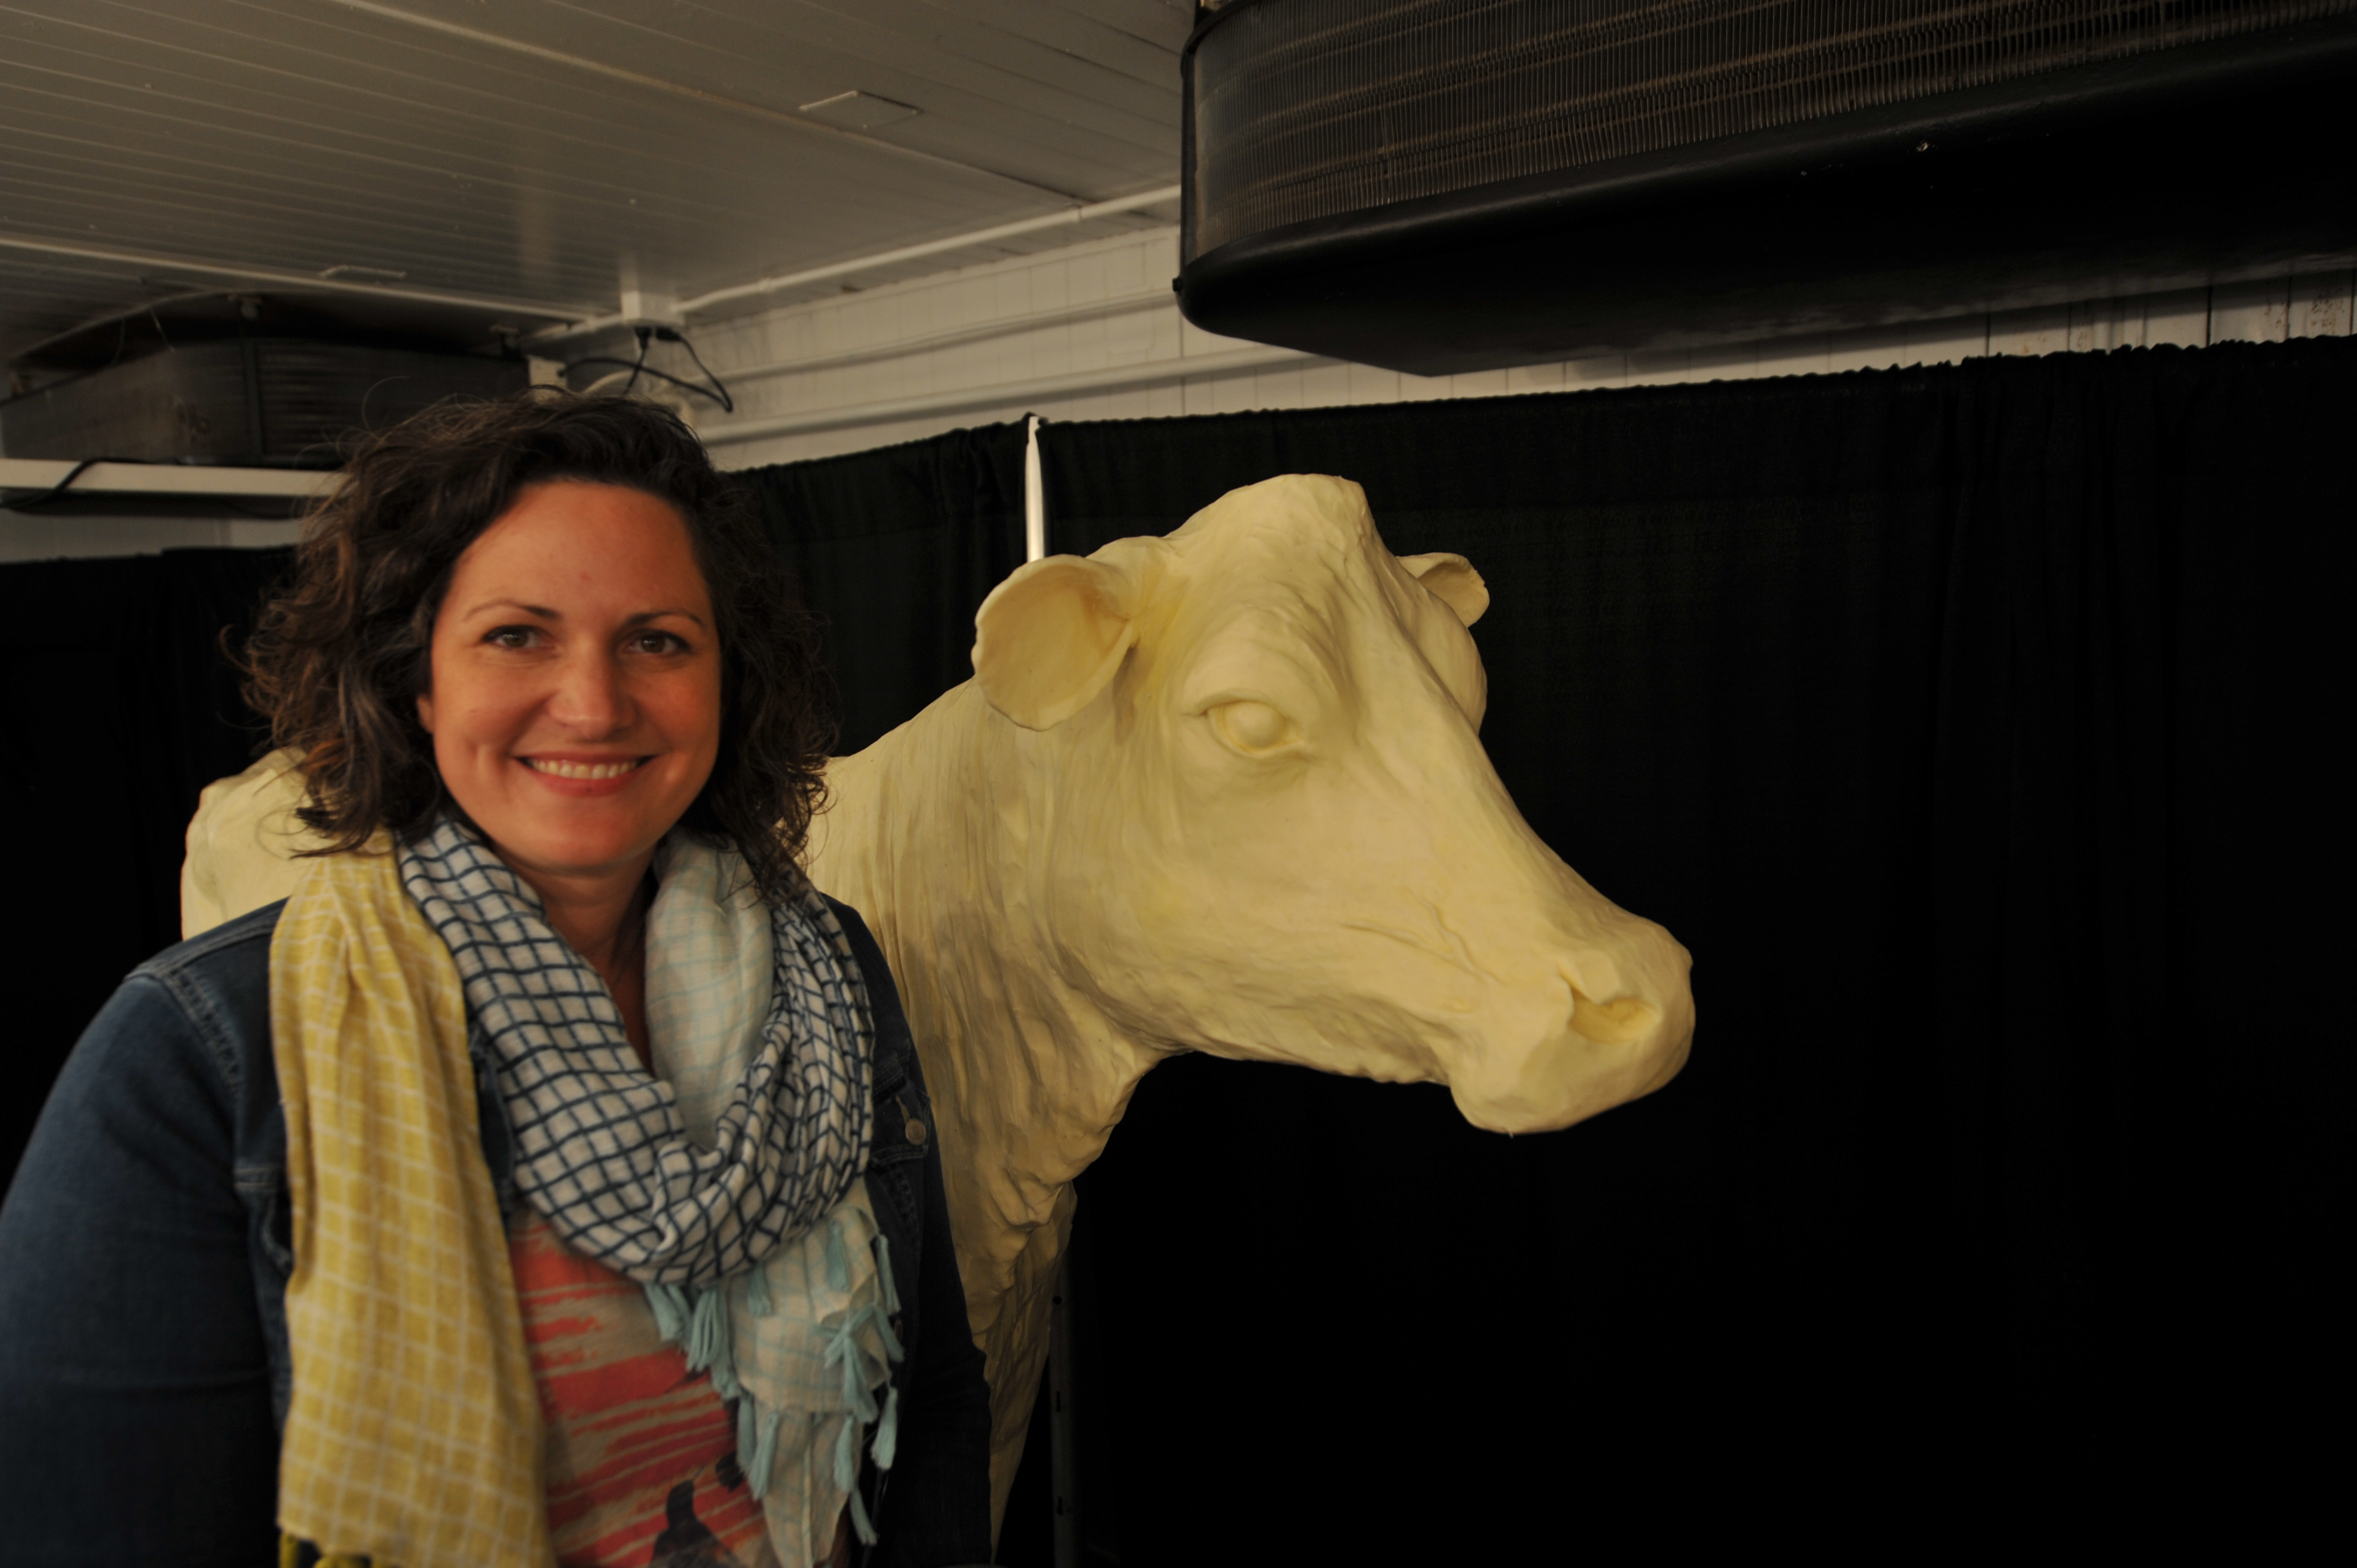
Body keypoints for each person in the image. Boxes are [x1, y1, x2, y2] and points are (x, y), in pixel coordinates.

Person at [0, 390, 992, 1567]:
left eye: (657, 639)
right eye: (518, 634)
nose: (594, 702)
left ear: (728, 681)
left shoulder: (827, 971)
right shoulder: (196, 1055)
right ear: (415, 682)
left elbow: (927, 1405)